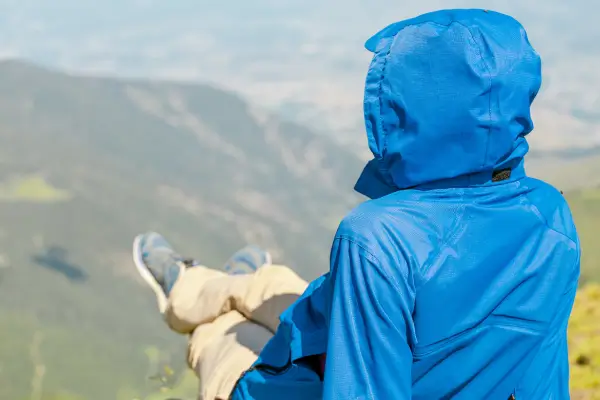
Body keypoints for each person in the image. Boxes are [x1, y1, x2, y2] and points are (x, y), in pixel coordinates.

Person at [133, 8, 581, 400]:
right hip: (324, 329)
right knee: (274, 287)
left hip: (270, 386)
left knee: (220, 334)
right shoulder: (550, 214)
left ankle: (186, 291)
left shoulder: (377, 235)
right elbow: (543, 373)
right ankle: (233, 280)